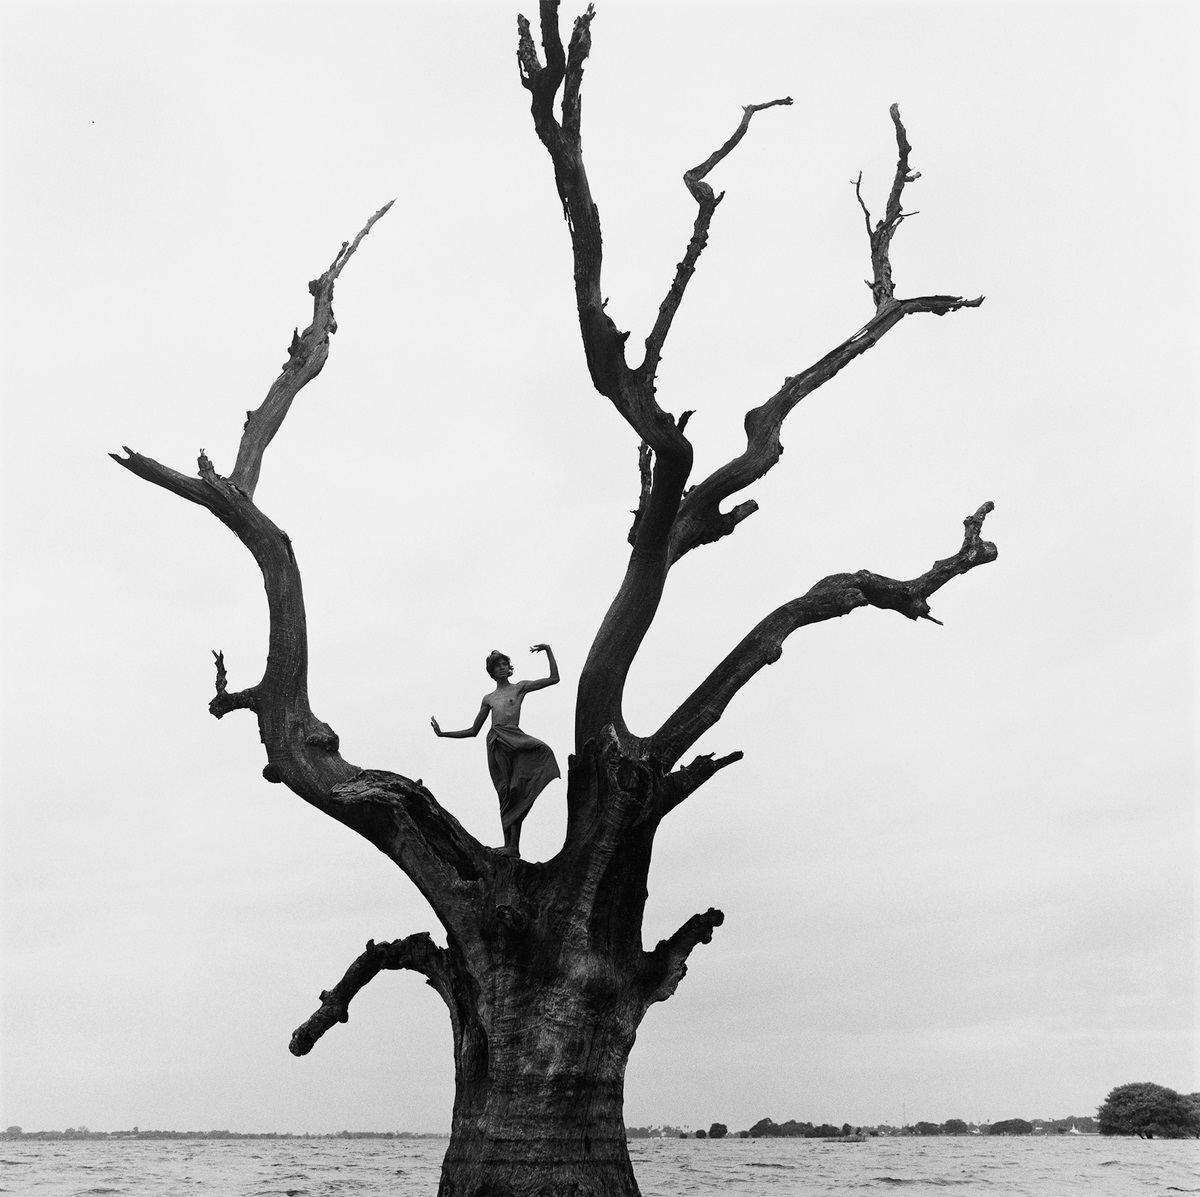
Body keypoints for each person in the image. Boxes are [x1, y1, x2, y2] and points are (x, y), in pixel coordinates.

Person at [431, 644, 560, 857]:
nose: (501, 667)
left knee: (522, 781)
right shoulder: (489, 698)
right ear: (491, 671)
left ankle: (513, 846)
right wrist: (443, 733)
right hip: (497, 743)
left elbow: (554, 678)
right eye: (497, 665)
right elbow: (474, 730)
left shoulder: (519, 688)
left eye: (504, 664)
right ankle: (510, 846)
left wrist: (548, 650)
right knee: (505, 791)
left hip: (516, 739)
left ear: (508, 667)